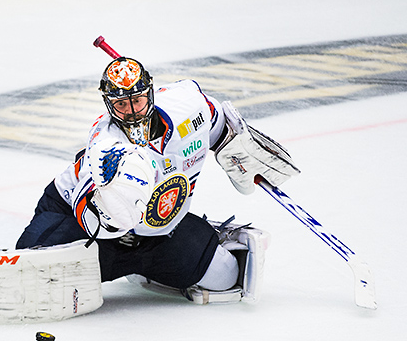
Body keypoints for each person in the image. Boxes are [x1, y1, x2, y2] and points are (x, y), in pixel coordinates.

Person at [15, 56, 300, 302]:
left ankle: (162, 256)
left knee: (226, 278)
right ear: (108, 104)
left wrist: (236, 148)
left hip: (158, 235)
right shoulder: (105, 147)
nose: (131, 111)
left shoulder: (188, 108)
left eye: (137, 101)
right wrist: (116, 203)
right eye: (121, 105)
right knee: (31, 273)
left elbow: (218, 124)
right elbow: (89, 218)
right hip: (87, 231)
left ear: (150, 94)